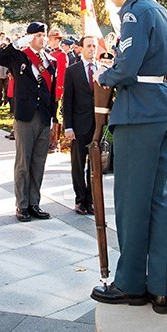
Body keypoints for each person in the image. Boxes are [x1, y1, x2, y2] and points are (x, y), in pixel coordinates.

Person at [91, 0, 167, 315]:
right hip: (158, 109)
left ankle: (129, 283)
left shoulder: (132, 13)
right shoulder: (161, 11)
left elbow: (126, 66)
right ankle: (159, 286)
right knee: (156, 201)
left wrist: (102, 76)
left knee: (130, 202)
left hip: (138, 114)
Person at [0, 22, 57, 223]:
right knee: (23, 163)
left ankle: (34, 203)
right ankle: (22, 204)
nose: (42, 39)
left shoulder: (49, 60)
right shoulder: (18, 56)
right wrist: (18, 42)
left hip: (44, 116)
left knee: (38, 163)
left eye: (43, 35)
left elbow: (51, 92)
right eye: (37, 35)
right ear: (29, 37)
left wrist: (53, 117)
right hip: (26, 116)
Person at [63, 35, 97, 216]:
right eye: (89, 46)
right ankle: (80, 200)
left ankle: (91, 200)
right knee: (78, 164)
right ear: (81, 48)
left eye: (94, 46)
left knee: (94, 165)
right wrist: (68, 127)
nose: (92, 49)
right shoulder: (73, 71)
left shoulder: (102, 70)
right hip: (78, 126)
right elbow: (67, 101)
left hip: (97, 126)